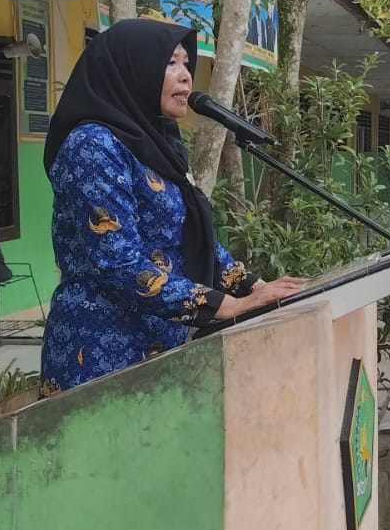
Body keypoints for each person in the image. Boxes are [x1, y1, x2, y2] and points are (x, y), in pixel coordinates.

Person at [40, 20, 302, 393]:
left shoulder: (155, 143)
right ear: (133, 69)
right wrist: (226, 306)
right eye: (170, 63)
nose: (186, 76)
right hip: (102, 356)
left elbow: (186, 236)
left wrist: (257, 288)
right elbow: (117, 263)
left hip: (160, 347)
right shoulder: (93, 145)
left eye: (187, 64)